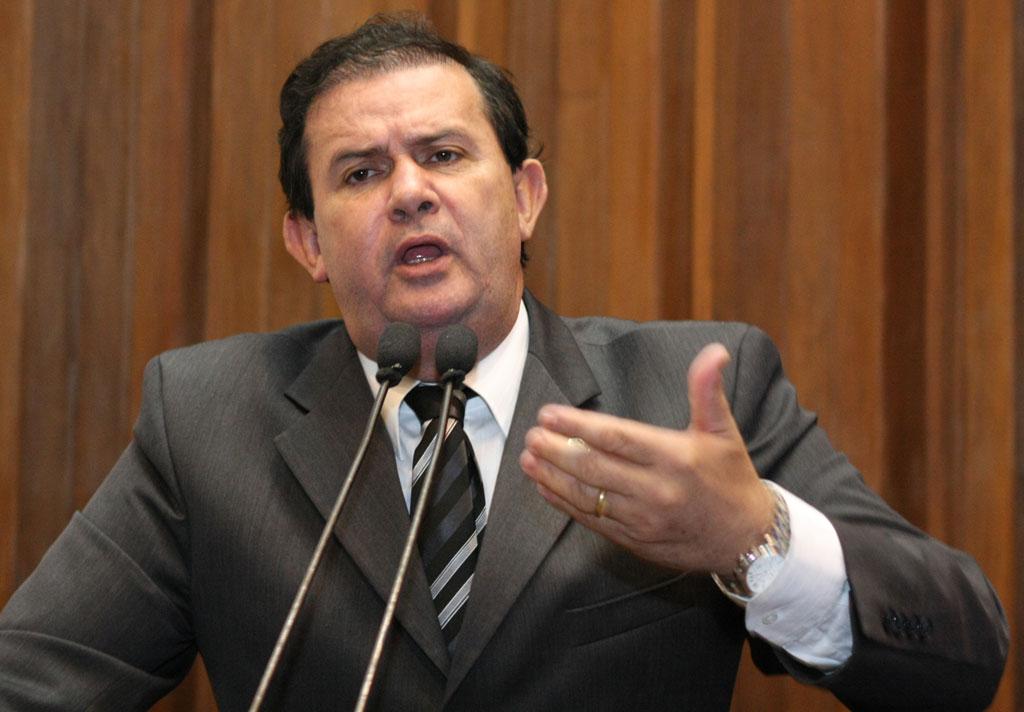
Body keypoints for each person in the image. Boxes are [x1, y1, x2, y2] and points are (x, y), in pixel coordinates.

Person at [0, 13, 1008, 711]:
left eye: (443, 155)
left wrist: (756, 539)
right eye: (361, 172)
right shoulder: (206, 419)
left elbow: (960, 654)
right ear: (306, 241)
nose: (409, 192)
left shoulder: (689, 396)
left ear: (524, 198)